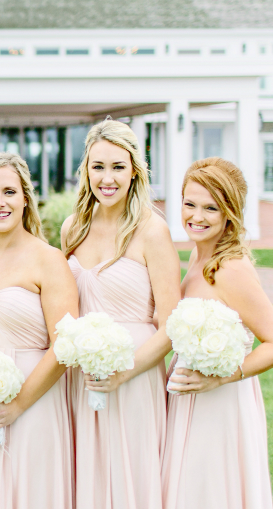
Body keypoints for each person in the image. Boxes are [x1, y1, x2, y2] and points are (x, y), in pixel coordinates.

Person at [162, 158, 273, 509]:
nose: (196, 216)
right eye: (189, 204)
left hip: (218, 402)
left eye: (211, 208)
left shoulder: (231, 268)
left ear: (229, 213)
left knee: (209, 490)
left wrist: (221, 379)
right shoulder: (197, 255)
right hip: (188, 393)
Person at [60, 119, 180, 509]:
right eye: (98, 167)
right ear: (86, 170)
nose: (107, 178)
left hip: (134, 378)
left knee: (131, 477)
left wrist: (123, 372)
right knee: (86, 477)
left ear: (134, 171)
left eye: (118, 167)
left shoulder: (152, 230)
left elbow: (171, 325)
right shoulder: (72, 228)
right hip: (81, 378)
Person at [0, 152, 79, 509]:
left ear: (25, 197)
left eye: (9, 192)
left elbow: (64, 346)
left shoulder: (48, 259)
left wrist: (18, 405)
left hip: (31, 400)